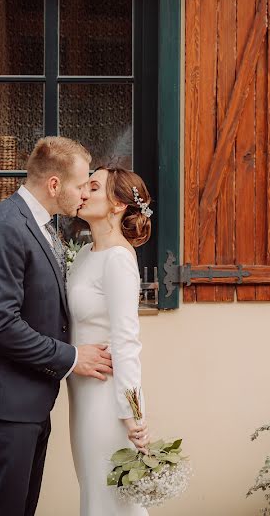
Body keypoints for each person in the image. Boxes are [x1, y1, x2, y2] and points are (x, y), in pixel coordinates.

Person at [0, 137, 114, 516]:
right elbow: (0, 325)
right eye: (81, 184)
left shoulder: (39, 224)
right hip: (1, 401)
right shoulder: (3, 228)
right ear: (54, 185)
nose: (84, 193)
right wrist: (71, 358)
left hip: (25, 398)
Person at [67, 166, 154, 516]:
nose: (83, 192)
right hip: (81, 395)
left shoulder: (118, 259)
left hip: (107, 400)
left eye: (94, 187)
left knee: (111, 502)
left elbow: (126, 340)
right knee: (93, 493)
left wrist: (134, 416)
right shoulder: (86, 254)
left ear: (117, 205)